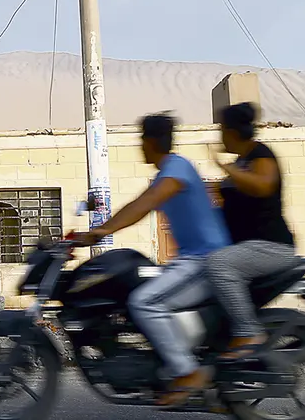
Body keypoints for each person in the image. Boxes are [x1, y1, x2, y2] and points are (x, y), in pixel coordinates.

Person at [76, 113, 231, 407]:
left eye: (141, 140)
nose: (140, 147)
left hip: (205, 261)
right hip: (194, 260)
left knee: (144, 302)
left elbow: (145, 203)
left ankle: (187, 373)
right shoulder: (173, 169)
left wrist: (102, 230)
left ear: (150, 141)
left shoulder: (175, 169)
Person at [207, 102, 300, 360]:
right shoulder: (243, 161)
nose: (220, 136)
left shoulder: (261, 155)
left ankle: (249, 332)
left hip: (270, 246)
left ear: (232, 131)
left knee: (219, 264)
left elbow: (263, 186)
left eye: (222, 129)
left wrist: (227, 170)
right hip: (246, 248)